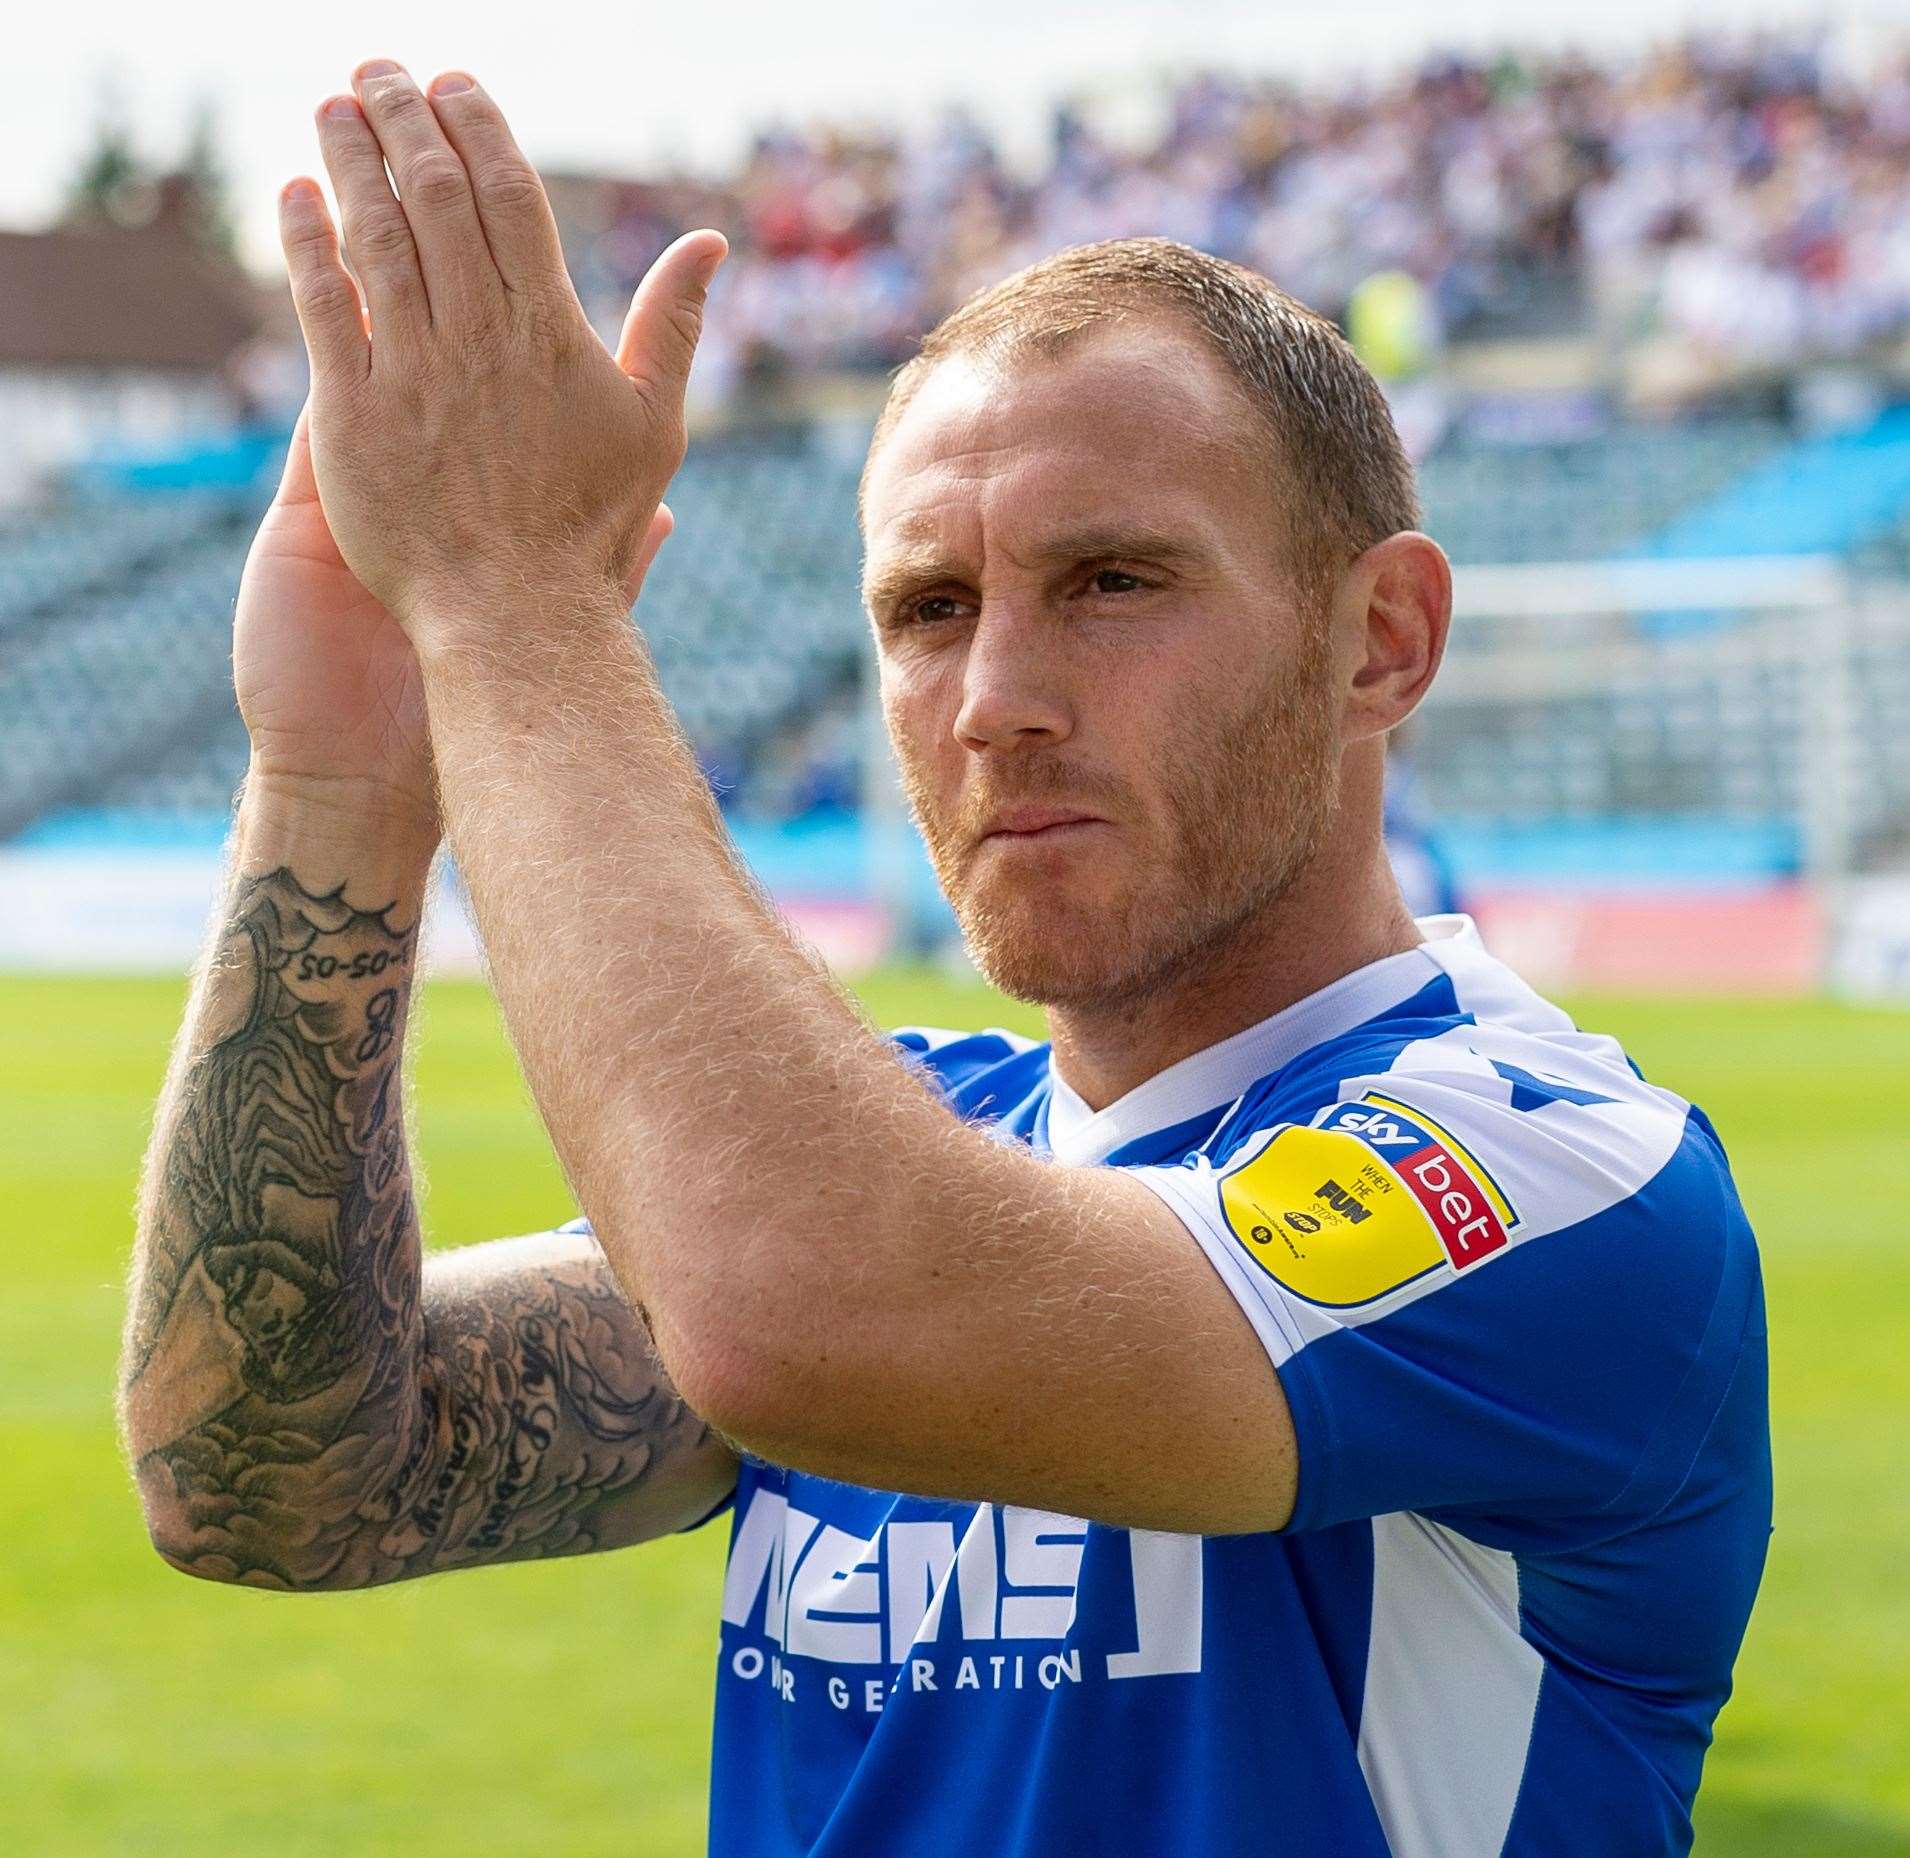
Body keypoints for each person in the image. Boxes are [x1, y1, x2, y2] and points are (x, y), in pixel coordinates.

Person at [119, 60, 1770, 1858]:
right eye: (925, 611)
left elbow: (790, 1307)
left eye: (1113, 582)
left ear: (1380, 640)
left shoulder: (1552, 1175)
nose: (993, 705)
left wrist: (511, 598)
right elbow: (263, 1475)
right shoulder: (906, 1131)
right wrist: (343, 777)